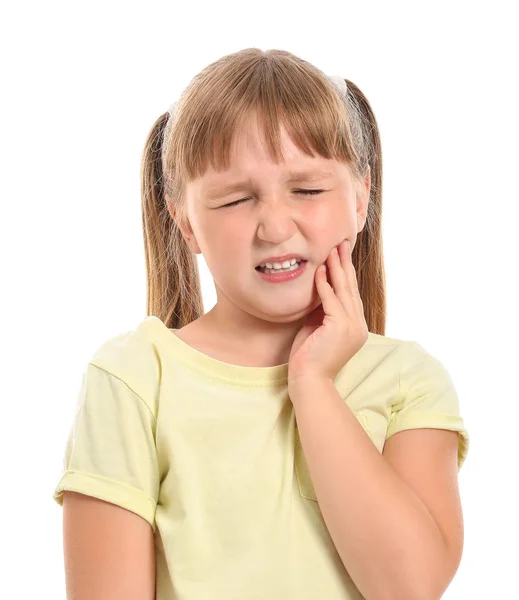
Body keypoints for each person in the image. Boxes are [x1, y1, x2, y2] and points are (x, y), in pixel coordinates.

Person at [53, 48, 470, 599]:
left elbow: (410, 586)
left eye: (307, 189)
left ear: (362, 196)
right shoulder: (134, 377)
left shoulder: (409, 380)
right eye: (235, 199)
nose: (274, 225)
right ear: (185, 222)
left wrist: (314, 387)